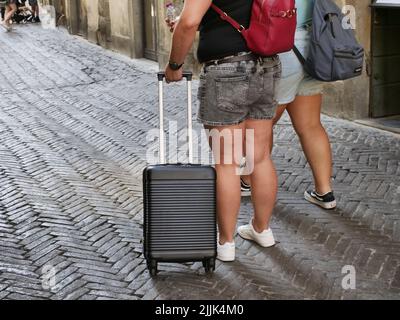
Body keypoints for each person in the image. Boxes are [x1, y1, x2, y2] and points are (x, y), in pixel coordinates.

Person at [165, 0, 281, 262]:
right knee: (259, 156)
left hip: (228, 68)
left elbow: (188, 22)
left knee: (226, 163)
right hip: (267, 65)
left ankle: (226, 243)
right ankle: (262, 229)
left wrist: (174, 66)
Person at [241, 0, 337, 210]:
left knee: (260, 125)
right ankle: (324, 191)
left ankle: (247, 180)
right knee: (311, 125)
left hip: (282, 46)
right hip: (315, 47)